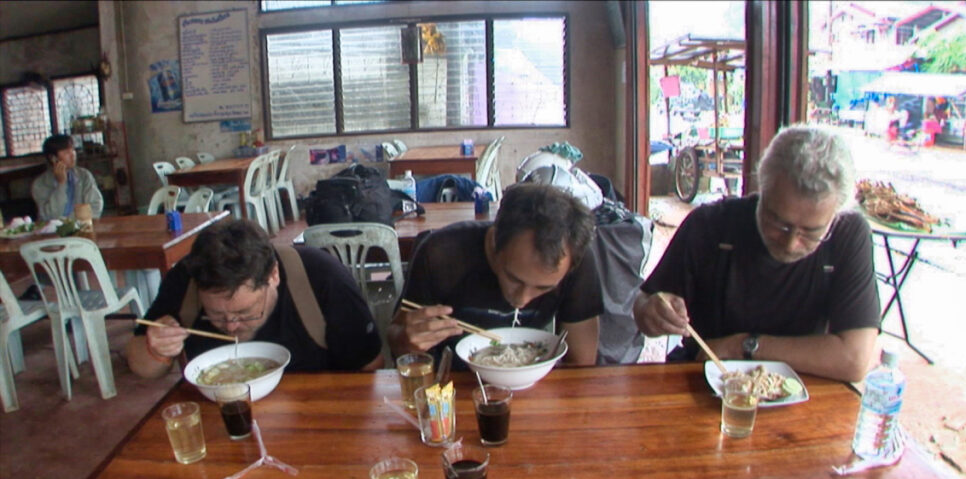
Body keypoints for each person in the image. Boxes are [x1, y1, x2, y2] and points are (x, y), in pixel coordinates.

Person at [633, 124, 879, 383]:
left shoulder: (848, 234)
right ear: (761, 189)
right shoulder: (711, 225)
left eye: (811, 232)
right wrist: (652, 312)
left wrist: (743, 346)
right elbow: (643, 308)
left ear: (835, 215)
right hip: (707, 381)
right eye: (778, 223)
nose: (791, 243)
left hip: (804, 389)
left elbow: (854, 359)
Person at [127, 219, 383, 378]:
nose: (230, 326)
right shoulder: (187, 277)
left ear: (273, 275)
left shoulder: (322, 277)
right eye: (216, 314)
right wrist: (156, 350)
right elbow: (142, 367)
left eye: (245, 313)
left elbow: (369, 367)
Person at [389, 182, 603, 368]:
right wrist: (406, 342)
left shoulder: (577, 258)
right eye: (514, 279)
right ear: (493, 241)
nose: (521, 300)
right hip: (454, 385)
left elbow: (581, 365)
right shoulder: (441, 254)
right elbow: (398, 338)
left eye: (543, 288)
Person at [31, 134, 104, 220]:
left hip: (82, 226)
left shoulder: (83, 175)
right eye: (66, 152)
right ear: (53, 158)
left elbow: (96, 204)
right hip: (52, 230)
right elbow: (49, 216)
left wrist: (74, 222)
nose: (72, 155)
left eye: (73, 150)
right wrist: (61, 184)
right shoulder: (40, 184)